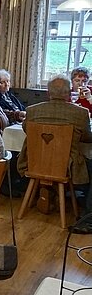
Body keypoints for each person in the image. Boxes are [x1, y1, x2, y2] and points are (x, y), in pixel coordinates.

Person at [17, 75, 92, 203]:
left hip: (34, 162)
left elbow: (26, 129)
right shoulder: (81, 113)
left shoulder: (32, 110)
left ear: (48, 93)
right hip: (67, 166)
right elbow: (86, 137)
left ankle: (49, 192)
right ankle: (84, 205)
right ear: (69, 93)